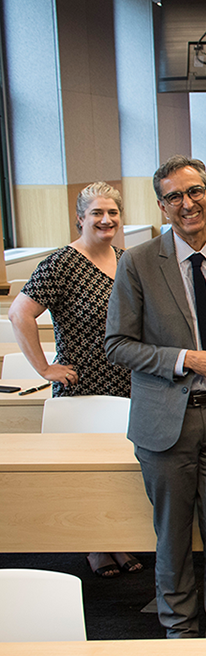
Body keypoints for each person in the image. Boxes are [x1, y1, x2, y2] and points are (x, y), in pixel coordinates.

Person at [104, 155, 206, 656]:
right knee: (171, 535)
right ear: (162, 205)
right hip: (165, 419)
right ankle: (178, 636)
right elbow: (117, 345)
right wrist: (183, 359)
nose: (188, 204)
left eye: (195, 192)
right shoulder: (139, 262)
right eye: (174, 196)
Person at [9, 181, 139, 579]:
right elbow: (20, 314)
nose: (106, 220)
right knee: (89, 472)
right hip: (83, 386)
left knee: (121, 466)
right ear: (80, 218)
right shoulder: (62, 263)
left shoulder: (126, 258)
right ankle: (97, 546)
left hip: (128, 382)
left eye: (112, 212)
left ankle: (118, 535)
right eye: (97, 213)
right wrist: (45, 369)